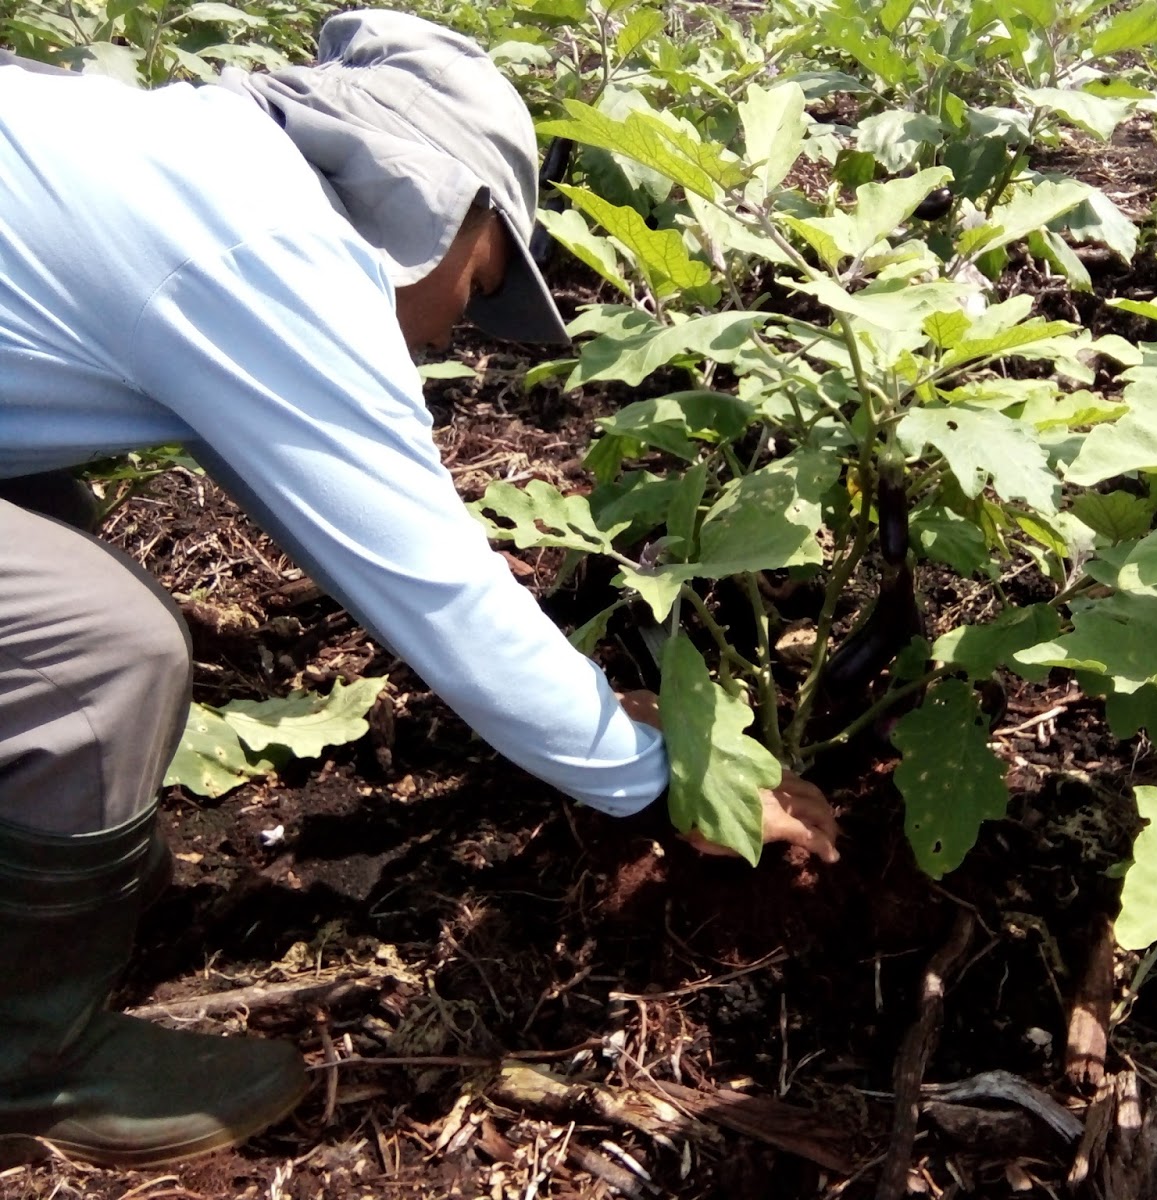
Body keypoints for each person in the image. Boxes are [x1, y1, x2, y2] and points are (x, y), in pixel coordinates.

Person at [0, 9, 839, 1169]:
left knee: (51, 545)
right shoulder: (274, 252)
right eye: (484, 281)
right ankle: (28, 1064)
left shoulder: (184, 158)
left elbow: (314, 502)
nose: (457, 330)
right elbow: (438, 604)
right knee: (95, 645)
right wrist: (670, 782)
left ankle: (40, 873)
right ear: (444, 210)